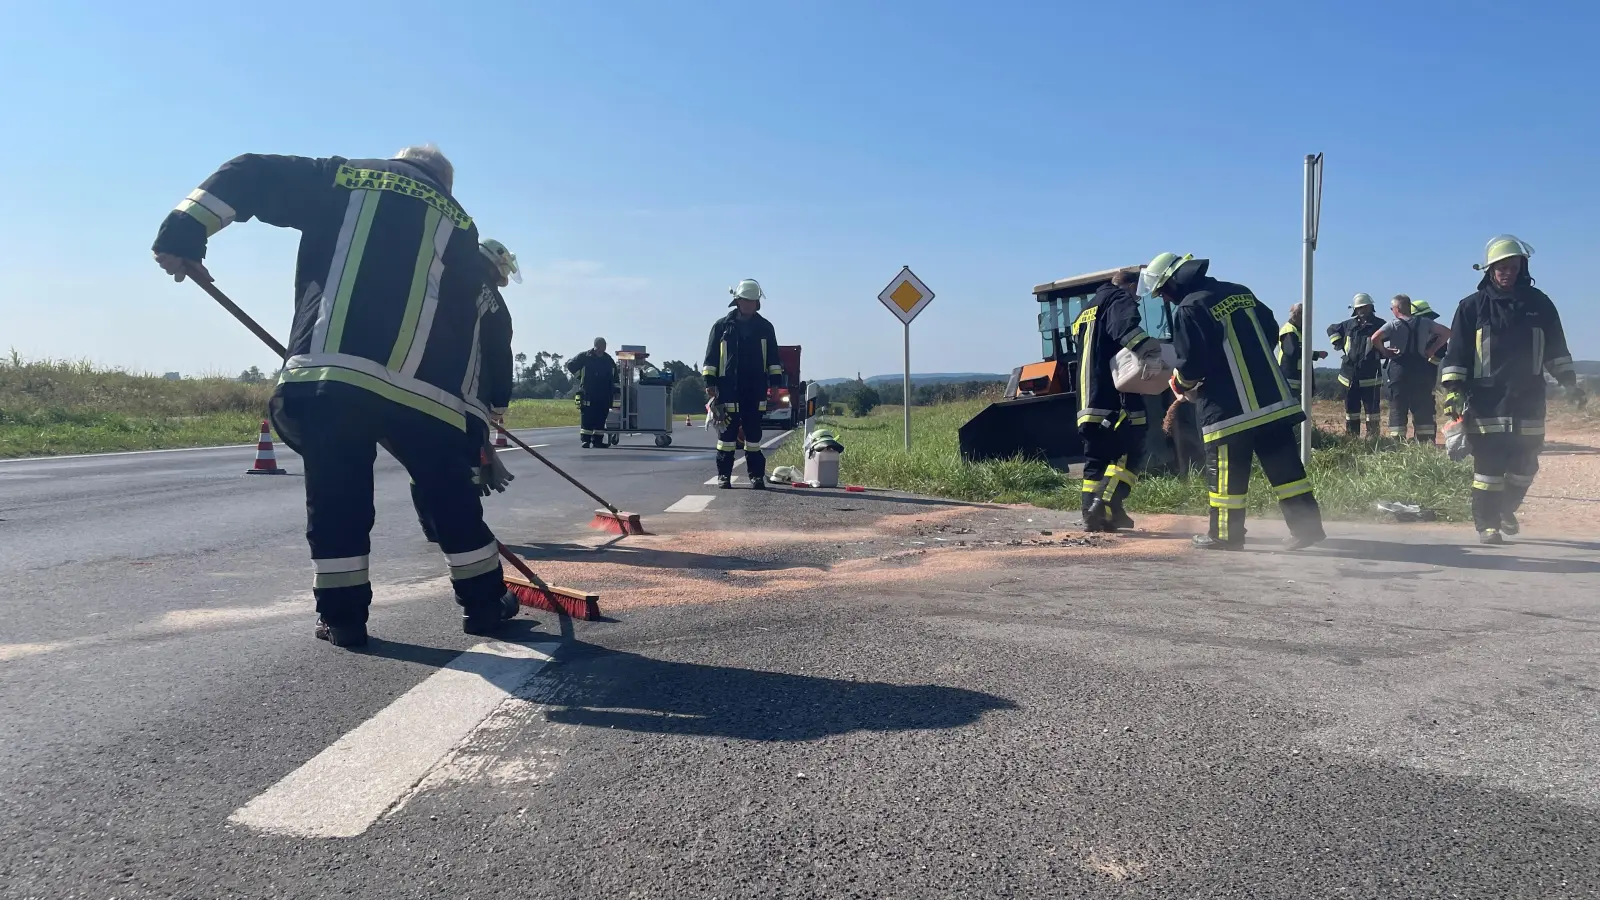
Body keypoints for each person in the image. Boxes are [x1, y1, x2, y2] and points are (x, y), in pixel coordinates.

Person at [151, 144, 520, 648]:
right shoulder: (460, 224)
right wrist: (474, 430)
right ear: (445, 185)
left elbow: (251, 171)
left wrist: (185, 231)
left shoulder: (347, 178)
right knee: (450, 497)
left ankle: (343, 618)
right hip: (428, 394)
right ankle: (484, 605)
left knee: (338, 498)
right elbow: (474, 343)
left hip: (334, 374)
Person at [1141, 252, 1326, 551]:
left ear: (1175, 282)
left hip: (1229, 410)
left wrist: (1180, 383)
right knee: (1287, 471)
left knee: (1226, 478)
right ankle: (1308, 529)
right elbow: (1268, 330)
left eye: (1163, 291)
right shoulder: (1241, 292)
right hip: (1273, 401)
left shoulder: (1190, 308)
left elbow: (1192, 363)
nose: (1165, 298)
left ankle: (1226, 536)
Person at [1441, 235, 1584, 544]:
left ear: (1522, 267)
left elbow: (1556, 348)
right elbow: (1457, 354)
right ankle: (1487, 525)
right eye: (1500, 267)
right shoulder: (1471, 307)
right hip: (1486, 400)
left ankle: (1506, 509)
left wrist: (1570, 383)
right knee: (1488, 468)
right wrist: (1453, 391)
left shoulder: (1539, 303)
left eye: (1513, 266)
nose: (1507, 272)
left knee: (1525, 465)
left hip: (1528, 398)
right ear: (1489, 270)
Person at [412, 238, 519, 542]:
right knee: (466, 467)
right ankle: (463, 529)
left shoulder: (444, 273)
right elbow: (500, 354)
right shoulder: (495, 304)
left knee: (422, 459)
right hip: (466, 399)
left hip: (420, 388)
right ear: (495, 264)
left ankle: (432, 527)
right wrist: (499, 402)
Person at [1072, 268, 1153, 531]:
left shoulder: (1087, 309)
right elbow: (1124, 328)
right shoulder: (1118, 299)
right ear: (1129, 286)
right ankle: (1105, 504)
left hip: (1087, 401)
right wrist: (1148, 350)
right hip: (1115, 399)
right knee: (1133, 451)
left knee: (1096, 458)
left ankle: (1093, 516)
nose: (1137, 299)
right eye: (1137, 292)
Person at [703, 278, 784, 489]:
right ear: (737, 301)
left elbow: (774, 359)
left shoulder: (766, 328)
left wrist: (775, 384)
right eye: (745, 301)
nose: (749, 305)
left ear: (757, 303)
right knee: (726, 438)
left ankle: (756, 476)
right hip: (728, 389)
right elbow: (711, 358)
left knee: (754, 436)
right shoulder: (721, 327)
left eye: (752, 301)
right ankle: (724, 476)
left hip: (755, 388)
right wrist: (709, 383)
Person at [1370, 294, 1450, 444]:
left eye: (1392, 308)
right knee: (1423, 406)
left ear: (1397, 308)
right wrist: (1431, 350)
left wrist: (1385, 351)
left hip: (1399, 370)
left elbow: (1374, 338)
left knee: (1398, 407)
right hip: (1421, 369)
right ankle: (1425, 443)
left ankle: (1397, 443)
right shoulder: (1425, 322)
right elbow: (1447, 332)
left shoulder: (1393, 324)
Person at [1327, 294, 1386, 436]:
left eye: (1364, 307)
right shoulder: (1349, 324)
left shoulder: (1380, 324)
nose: (1362, 310)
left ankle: (1373, 439)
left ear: (1371, 307)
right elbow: (1331, 329)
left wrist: (1385, 352)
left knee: (1372, 411)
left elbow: (1393, 335)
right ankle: (1352, 437)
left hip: (1370, 374)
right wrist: (1338, 343)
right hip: (1349, 375)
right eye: (1359, 308)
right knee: (1351, 410)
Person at [566, 338, 616, 448]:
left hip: (604, 394)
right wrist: (580, 376)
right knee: (587, 417)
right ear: (595, 346)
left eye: (603, 347)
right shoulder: (584, 357)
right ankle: (586, 440)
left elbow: (614, 376)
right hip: (588, 392)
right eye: (598, 347)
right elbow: (570, 365)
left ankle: (597, 441)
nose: (600, 349)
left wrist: (614, 388)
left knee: (601, 418)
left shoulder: (608, 359)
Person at [1276, 302, 1329, 401]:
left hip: (1298, 377)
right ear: (1297, 314)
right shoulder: (1289, 330)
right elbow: (1292, 351)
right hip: (1290, 377)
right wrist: (1316, 354)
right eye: (1304, 314)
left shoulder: (1299, 330)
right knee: (1293, 407)